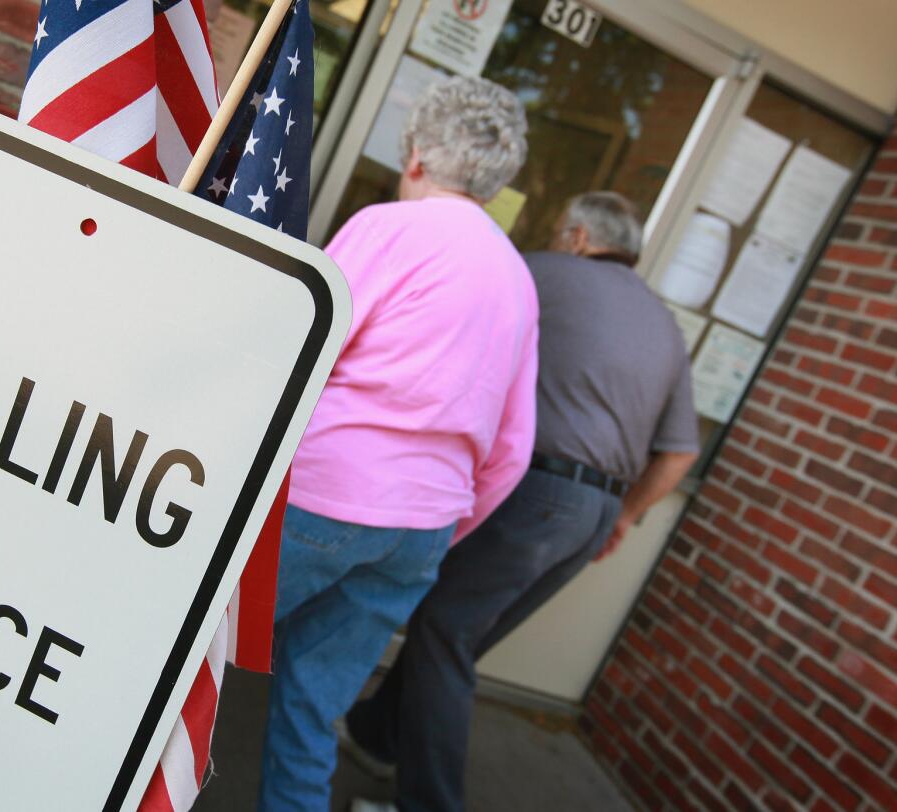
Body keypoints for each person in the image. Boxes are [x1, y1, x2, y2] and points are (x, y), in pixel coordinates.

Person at [344, 191, 701, 812]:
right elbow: (677, 455)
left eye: (565, 230)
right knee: (456, 634)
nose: (561, 239)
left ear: (581, 237)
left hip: (536, 492)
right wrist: (626, 515)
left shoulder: (536, 272)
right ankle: (380, 733)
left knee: (447, 630)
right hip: (592, 514)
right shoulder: (665, 326)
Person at [256, 77, 538, 811]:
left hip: (324, 496)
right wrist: (440, 528)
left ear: (415, 155)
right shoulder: (518, 280)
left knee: (182, 648)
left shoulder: (388, 228)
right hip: (422, 526)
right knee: (312, 705)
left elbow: (304, 351)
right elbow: (512, 448)